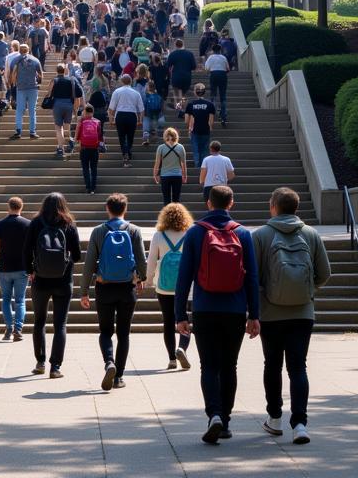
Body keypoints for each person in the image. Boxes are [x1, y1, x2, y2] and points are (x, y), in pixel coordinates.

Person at [174, 185, 260, 445]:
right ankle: (226, 420)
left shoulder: (195, 232)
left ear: (209, 203)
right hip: (234, 310)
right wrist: (254, 314)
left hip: (204, 309)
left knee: (209, 366)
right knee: (229, 366)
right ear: (231, 203)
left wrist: (180, 314)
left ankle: (213, 415)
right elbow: (252, 277)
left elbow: (184, 277)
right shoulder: (243, 234)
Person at [253, 187, 332, 446]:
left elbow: (252, 276)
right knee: (298, 367)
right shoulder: (310, 234)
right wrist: (308, 290)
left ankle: (274, 418)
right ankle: (299, 424)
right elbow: (325, 272)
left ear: (273, 206)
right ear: (296, 207)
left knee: (272, 365)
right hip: (302, 311)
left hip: (270, 312)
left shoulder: (261, 235)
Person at [80, 193, 147, 391]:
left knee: (106, 331)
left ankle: (109, 361)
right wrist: (141, 278)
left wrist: (84, 290)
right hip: (127, 287)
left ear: (107, 209)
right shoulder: (134, 230)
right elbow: (141, 259)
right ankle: (118, 377)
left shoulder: (99, 231)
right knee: (124, 333)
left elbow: (89, 263)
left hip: (104, 286)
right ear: (125, 209)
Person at [25, 192, 83, 379]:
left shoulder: (36, 223)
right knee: (60, 324)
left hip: (40, 279)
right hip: (63, 280)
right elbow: (77, 254)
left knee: (39, 321)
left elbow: (26, 249)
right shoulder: (69, 224)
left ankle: (40, 362)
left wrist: (31, 270)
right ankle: (55, 367)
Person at [147, 202, 194, 371]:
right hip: (186, 285)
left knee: (168, 321)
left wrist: (148, 280)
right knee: (184, 318)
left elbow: (151, 261)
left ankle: (172, 359)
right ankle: (182, 347)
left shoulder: (159, 236)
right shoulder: (189, 234)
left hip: (164, 286)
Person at [0, 196, 31, 341]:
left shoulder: (0, 224)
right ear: (21, 207)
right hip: (22, 268)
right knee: (20, 300)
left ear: (9, 207)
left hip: (4, 267)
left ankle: (8, 328)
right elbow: (31, 248)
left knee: (6, 299)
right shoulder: (27, 224)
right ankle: (18, 330)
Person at [45, 62, 81, 159]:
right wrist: (76, 107)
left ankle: (61, 148)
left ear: (56, 70)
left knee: (58, 127)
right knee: (67, 125)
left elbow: (49, 93)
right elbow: (78, 94)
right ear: (65, 70)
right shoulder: (71, 80)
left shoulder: (54, 80)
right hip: (69, 104)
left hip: (57, 104)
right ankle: (70, 140)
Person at [109, 72, 145, 166]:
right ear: (131, 81)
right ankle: (127, 151)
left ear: (121, 81)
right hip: (131, 116)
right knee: (130, 137)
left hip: (120, 115)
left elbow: (111, 108)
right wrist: (140, 120)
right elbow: (141, 109)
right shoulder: (136, 93)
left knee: (121, 136)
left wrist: (111, 119)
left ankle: (125, 153)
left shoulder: (117, 92)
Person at [11, 43, 43, 140]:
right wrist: (39, 83)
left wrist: (13, 83)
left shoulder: (15, 60)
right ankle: (32, 132)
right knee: (32, 110)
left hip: (21, 87)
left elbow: (13, 72)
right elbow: (41, 74)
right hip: (33, 87)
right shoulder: (35, 60)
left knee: (19, 110)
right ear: (28, 50)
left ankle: (18, 131)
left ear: (20, 51)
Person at [153, 127, 188, 205]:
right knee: (176, 199)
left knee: (166, 199)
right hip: (177, 175)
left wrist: (155, 175)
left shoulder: (161, 147)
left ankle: (167, 216)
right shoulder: (180, 147)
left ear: (165, 136)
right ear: (176, 136)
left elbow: (157, 163)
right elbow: (183, 163)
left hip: (165, 176)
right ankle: (177, 216)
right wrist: (185, 175)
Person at [185, 83, 216, 170]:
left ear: (195, 92)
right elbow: (211, 121)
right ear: (204, 92)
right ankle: (203, 168)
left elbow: (186, 120)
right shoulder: (210, 104)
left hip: (194, 130)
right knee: (205, 150)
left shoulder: (191, 104)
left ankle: (197, 167)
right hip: (206, 130)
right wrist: (210, 128)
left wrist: (189, 128)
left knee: (196, 150)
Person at [77, 103, 104, 194]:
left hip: (84, 147)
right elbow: (100, 136)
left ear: (85, 112)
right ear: (93, 112)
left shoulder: (82, 121)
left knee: (85, 168)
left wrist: (77, 141)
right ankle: (93, 188)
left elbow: (78, 134)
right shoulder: (98, 122)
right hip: (94, 148)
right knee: (94, 168)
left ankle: (88, 187)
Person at [166, 38, 197, 109]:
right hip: (187, 76)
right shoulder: (190, 54)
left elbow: (168, 66)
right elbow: (194, 67)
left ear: (175, 45)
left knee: (177, 92)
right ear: (183, 44)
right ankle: (183, 109)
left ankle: (179, 108)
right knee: (183, 94)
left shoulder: (173, 54)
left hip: (176, 76)